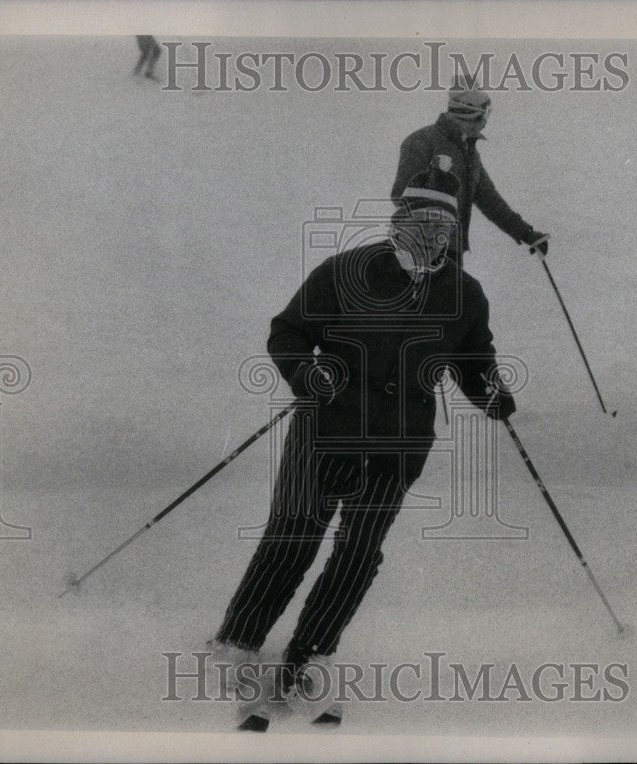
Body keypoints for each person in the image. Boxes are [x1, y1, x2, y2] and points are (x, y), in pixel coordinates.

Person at [208, 157, 517, 721]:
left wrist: (490, 390)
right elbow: (288, 331)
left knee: (358, 553)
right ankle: (237, 644)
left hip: (399, 449)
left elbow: (474, 358)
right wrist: (306, 372)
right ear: (398, 220)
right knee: (293, 537)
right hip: (326, 432)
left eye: (445, 227)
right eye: (423, 222)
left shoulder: (465, 293)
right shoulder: (345, 271)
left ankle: (307, 658)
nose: (434, 235)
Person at [391, 77, 550, 261]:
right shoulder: (422, 142)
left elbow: (491, 201)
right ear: (471, 114)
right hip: (418, 249)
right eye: (486, 113)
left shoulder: (470, 156)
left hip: (451, 252)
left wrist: (526, 233)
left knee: (468, 290)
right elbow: (400, 194)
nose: (486, 122)